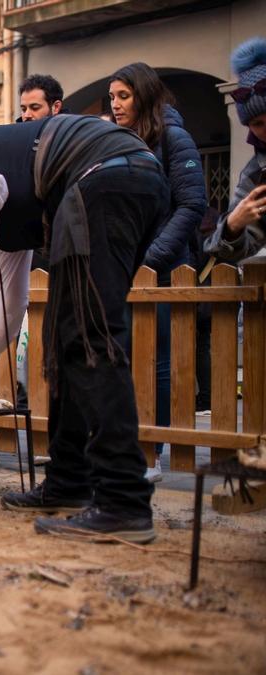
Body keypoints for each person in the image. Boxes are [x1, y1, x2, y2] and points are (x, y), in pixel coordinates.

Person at [0, 113, 169, 543]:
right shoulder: (9, 216)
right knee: (69, 340)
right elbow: (14, 302)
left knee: (91, 339)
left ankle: (124, 502)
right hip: (128, 180)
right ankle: (70, 483)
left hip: (103, 178)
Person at [109, 62, 206, 483]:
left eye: (123, 96)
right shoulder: (119, 141)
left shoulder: (173, 137)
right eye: (112, 97)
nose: (115, 104)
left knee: (159, 363)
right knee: (125, 360)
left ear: (144, 95)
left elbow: (192, 204)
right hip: (126, 269)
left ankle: (154, 453)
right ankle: (127, 448)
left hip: (164, 270)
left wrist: (153, 257)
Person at [206, 36, 266, 264]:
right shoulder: (256, 175)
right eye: (257, 124)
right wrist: (233, 226)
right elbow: (224, 250)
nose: (265, 129)